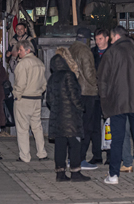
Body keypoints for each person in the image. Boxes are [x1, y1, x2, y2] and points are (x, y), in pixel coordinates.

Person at [98, 26, 134, 184]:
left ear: (115, 37)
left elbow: (102, 80)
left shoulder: (111, 53)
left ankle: (114, 175)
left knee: (118, 139)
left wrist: (105, 100)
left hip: (117, 102)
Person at [47, 48, 90, 182]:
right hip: (71, 117)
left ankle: (60, 173)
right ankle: (75, 172)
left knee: (60, 145)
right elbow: (74, 96)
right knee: (75, 145)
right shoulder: (69, 75)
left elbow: (48, 99)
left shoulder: (52, 78)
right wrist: (81, 107)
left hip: (57, 117)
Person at [68, 27, 99, 170]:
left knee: (76, 126)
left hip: (75, 91)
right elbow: (88, 73)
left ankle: (72, 157)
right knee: (87, 127)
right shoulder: (85, 51)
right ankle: (80, 159)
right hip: (87, 92)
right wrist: (97, 84)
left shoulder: (71, 48)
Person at [13, 40, 48, 163]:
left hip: (25, 99)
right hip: (37, 99)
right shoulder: (39, 63)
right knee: (37, 127)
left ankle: (25, 156)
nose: (18, 53)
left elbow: (20, 83)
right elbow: (44, 83)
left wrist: (17, 95)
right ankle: (42, 153)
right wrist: (39, 91)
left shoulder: (23, 64)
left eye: (20, 50)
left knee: (22, 129)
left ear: (27, 50)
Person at [90, 28, 110, 165]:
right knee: (94, 126)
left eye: (100, 39)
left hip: (109, 94)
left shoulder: (112, 52)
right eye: (96, 39)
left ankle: (110, 155)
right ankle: (97, 154)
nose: (98, 42)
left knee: (110, 125)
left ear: (107, 38)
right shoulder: (92, 53)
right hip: (95, 94)